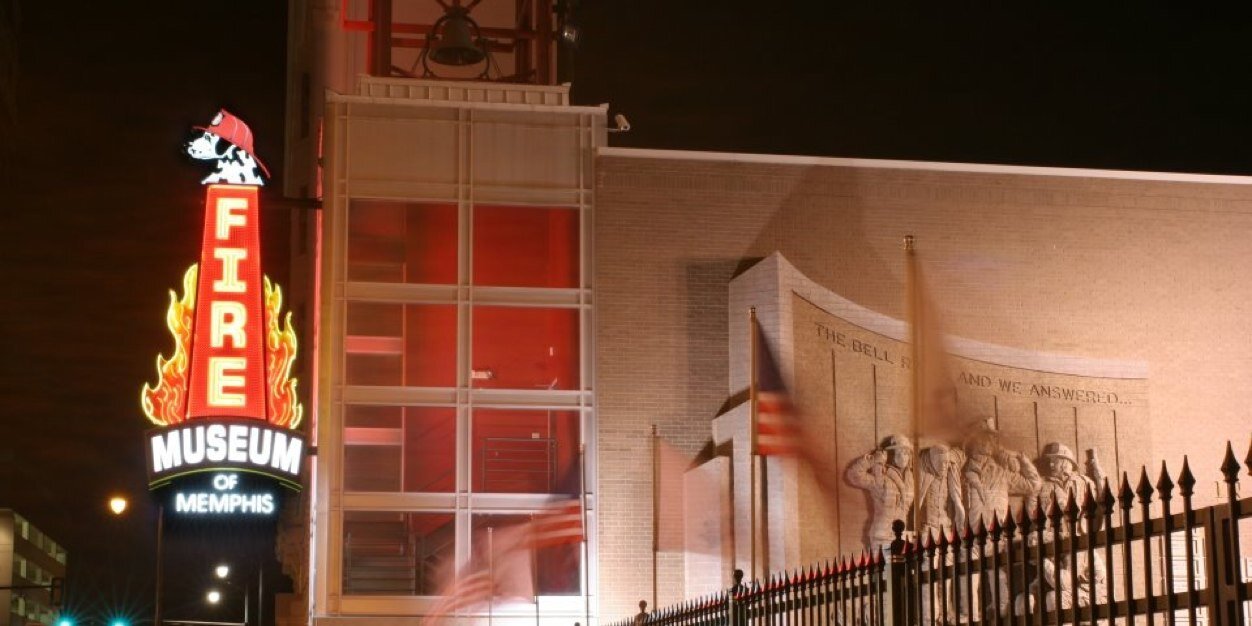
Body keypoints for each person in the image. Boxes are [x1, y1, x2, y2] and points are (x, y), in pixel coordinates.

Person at [845, 434, 915, 550]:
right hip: (883, 537)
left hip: (901, 536)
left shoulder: (910, 480)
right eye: (900, 452)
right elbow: (854, 475)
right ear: (892, 455)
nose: (904, 456)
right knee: (883, 568)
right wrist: (873, 460)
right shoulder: (881, 478)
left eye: (907, 453)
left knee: (902, 568)